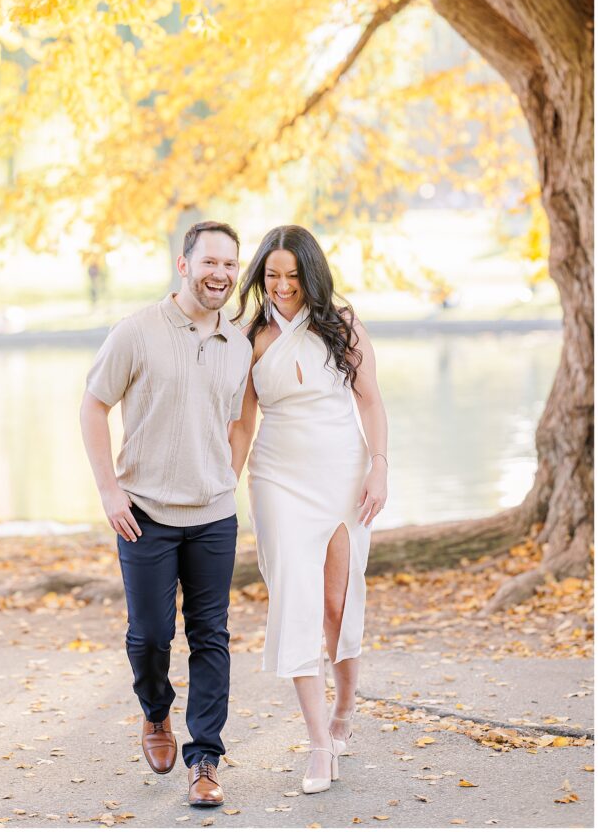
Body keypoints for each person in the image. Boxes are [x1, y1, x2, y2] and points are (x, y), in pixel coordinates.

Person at [80, 221, 252, 808]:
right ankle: (156, 713)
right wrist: (109, 491)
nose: (220, 275)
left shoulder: (240, 344)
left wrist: (226, 476)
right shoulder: (137, 331)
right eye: (210, 263)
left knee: (211, 636)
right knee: (150, 635)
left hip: (214, 515)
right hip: (144, 512)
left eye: (230, 265)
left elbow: (235, 423)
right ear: (184, 265)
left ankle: (204, 758)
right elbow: (93, 406)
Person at [229, 225, 388, 794]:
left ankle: (345, 705)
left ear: (311, 275)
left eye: (293, 276)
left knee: (335, 602)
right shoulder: (252, 336)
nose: (282, 286)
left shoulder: (342, 325)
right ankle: (319, 746)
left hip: (342, 471)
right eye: (271, 276)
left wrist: (380, 465)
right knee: (296, 599)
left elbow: (370, 400)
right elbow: (244, 423)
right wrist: (226, 482)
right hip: (277, 478)